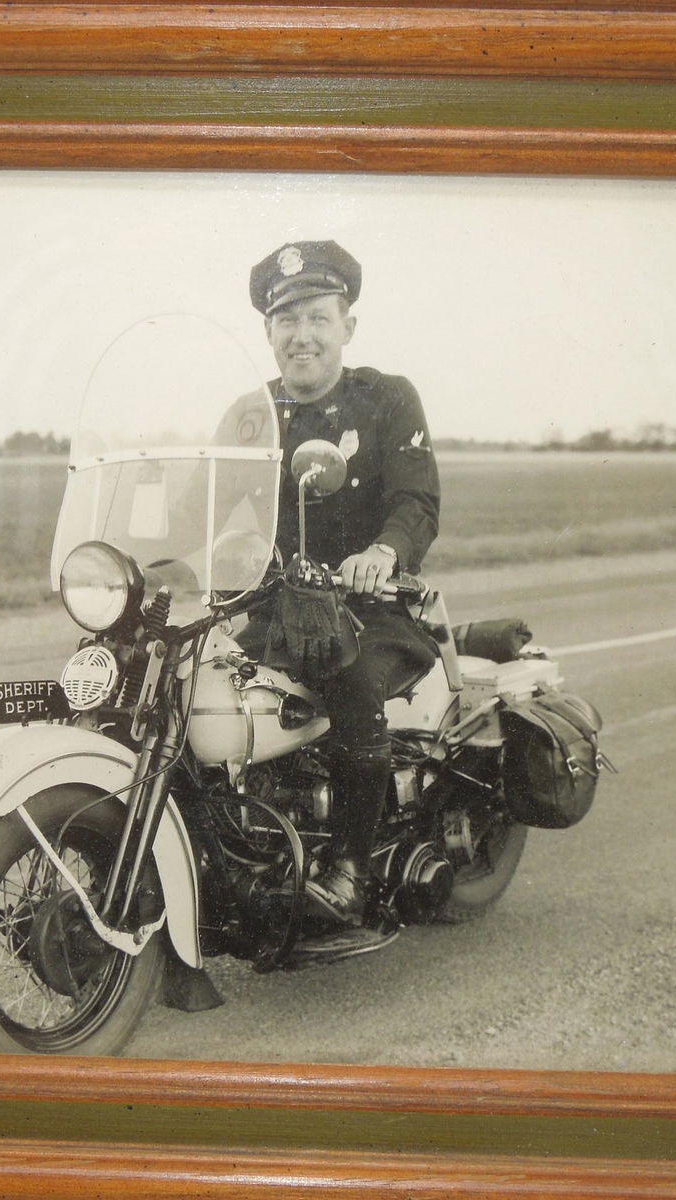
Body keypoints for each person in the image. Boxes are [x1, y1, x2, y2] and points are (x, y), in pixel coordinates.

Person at [245, 240, 441, 924]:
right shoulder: (251, 413)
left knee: (350, 685)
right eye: (287, 320)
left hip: (369, 611)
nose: (302, 336)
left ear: (346, 327)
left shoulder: (385, 399)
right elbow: (209, 499)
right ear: (268, 332)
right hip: (274, 611)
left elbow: (415, 502)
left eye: (317, 318)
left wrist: (383, 554)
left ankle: (351, 865)